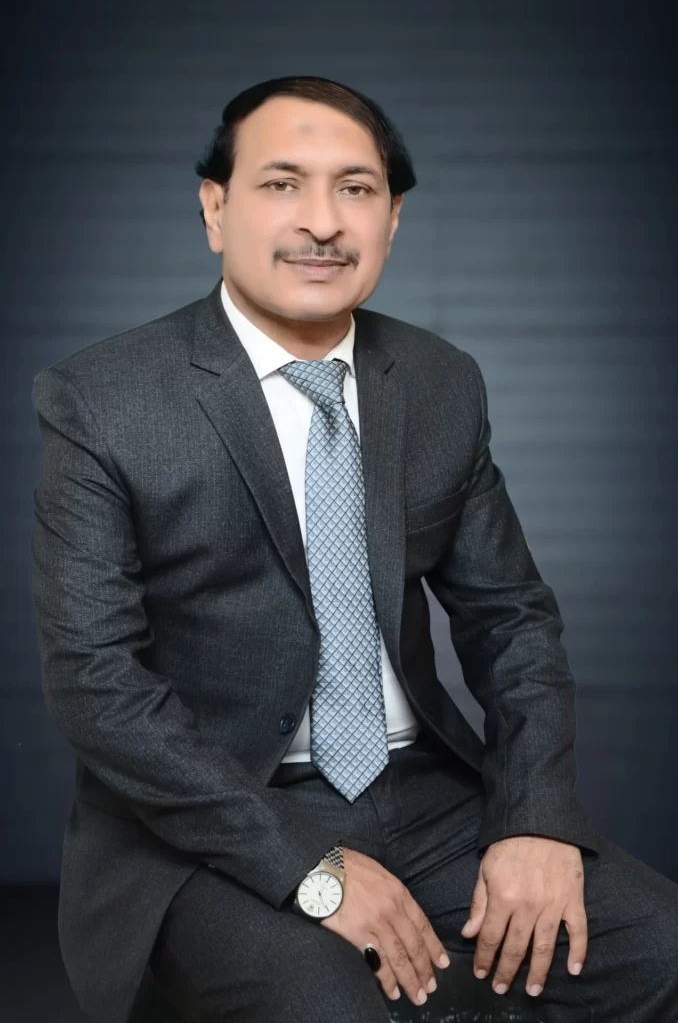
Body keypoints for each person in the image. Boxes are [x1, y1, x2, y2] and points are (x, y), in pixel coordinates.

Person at [30, 74, 678, 1023]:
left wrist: (535, 818)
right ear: (215, 209)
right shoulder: (103, 400)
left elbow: (512, 622)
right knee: (328, 1006)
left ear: (393, 218)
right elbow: (96, 684)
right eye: (281, 184)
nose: (324, 222)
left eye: (357, 189)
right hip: (213, 821)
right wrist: (308, 866)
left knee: (661, 947)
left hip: (428, 795)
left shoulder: (438, 380)